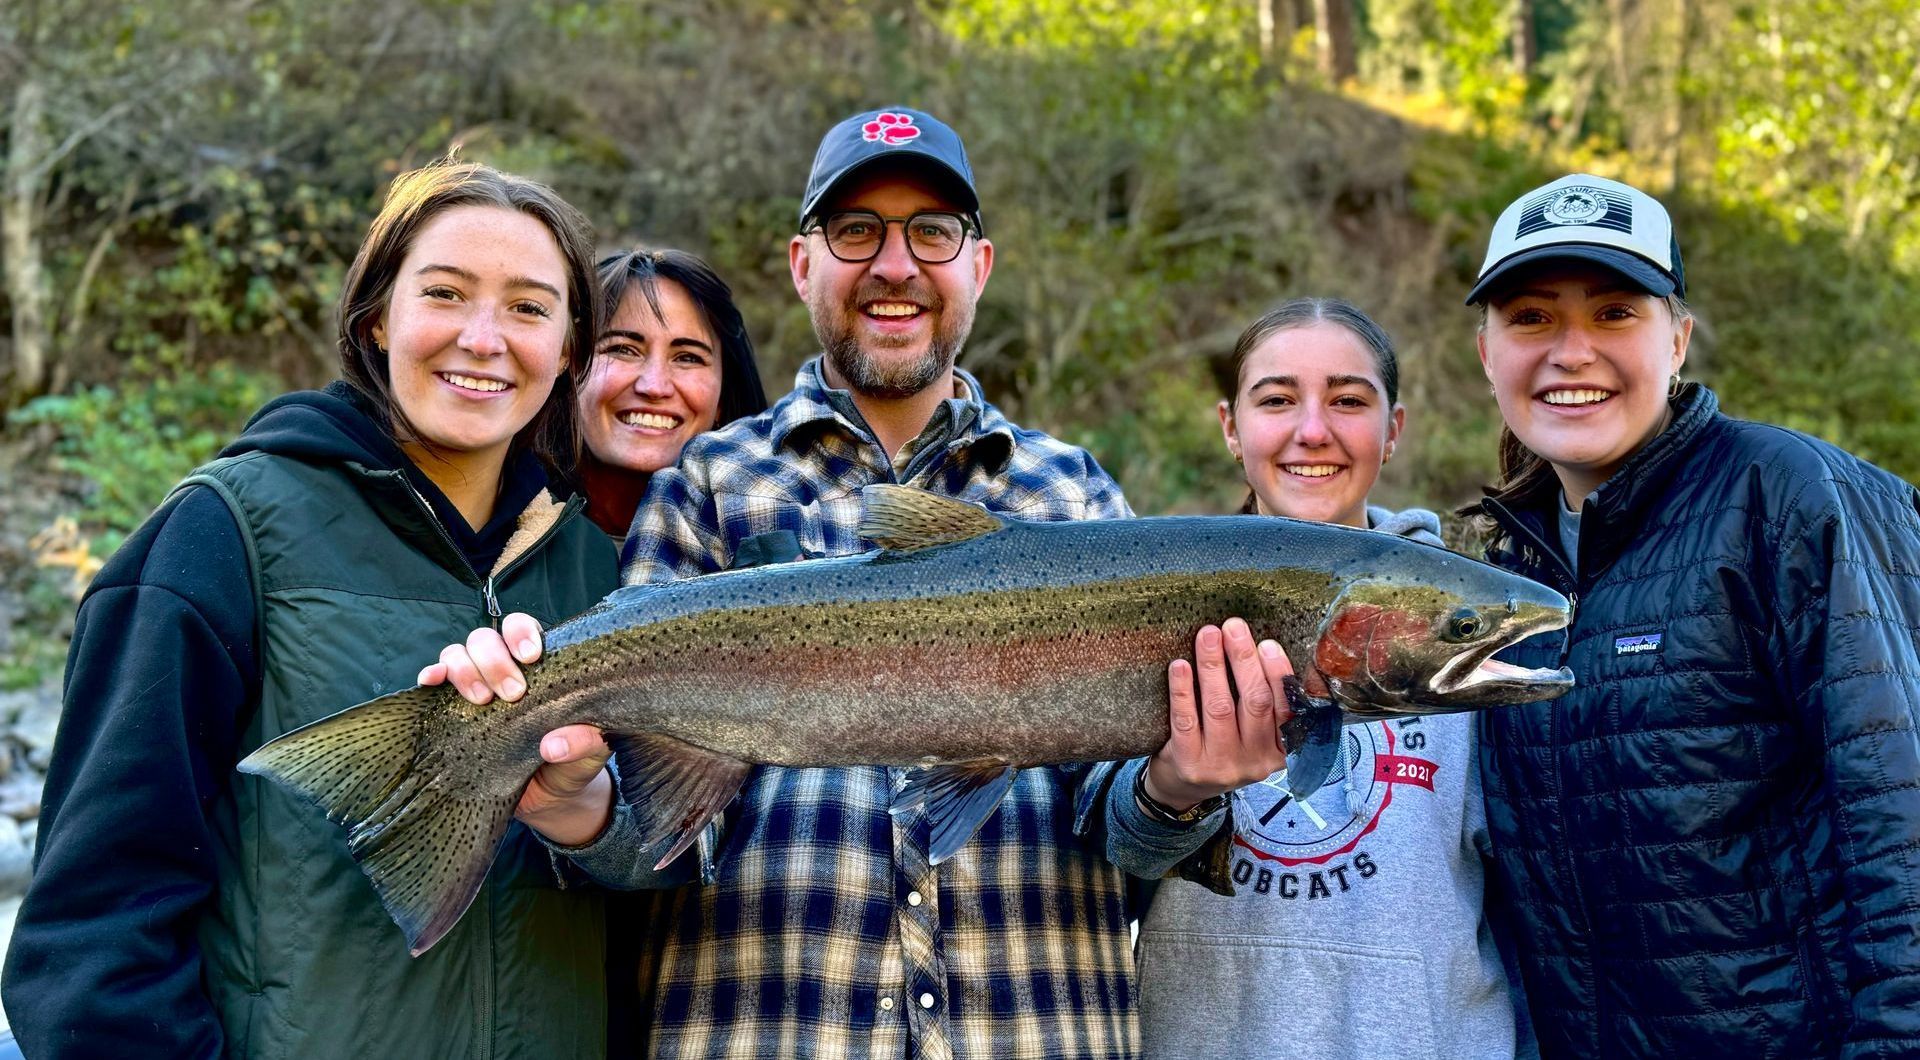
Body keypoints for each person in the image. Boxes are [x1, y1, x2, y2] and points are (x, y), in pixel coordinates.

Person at [433, 105, 1294, 1058]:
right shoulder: (709, 483)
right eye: (857, 232)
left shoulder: (1076, 492)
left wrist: (1181, 786)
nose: (895, 266)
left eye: (933, 232)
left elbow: (1129, 844)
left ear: (980, 266)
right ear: (804, 264)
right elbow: (652, 846)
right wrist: (572, 803)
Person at [0, 161, 627, 1058]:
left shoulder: (593, 568)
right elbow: (94, 934)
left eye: (530, 308)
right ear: (377, 319)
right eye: (445, 294)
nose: (485, 338)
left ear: (570, 349)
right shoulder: (224, 535)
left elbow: (658, 858)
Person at [1465, 174, 1920, 1055]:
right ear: (1485, 353)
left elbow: (1900, 821)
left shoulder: (1785, 498)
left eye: (1613, 313)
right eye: (1530, 317)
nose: (1570, 351)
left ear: (1677, 339)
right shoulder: (1501, 572)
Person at [1105, 297, 1531, 1060]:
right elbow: (1114, 861)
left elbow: (1537, 912)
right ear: (1231, 428)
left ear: (1392, 429)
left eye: (1348, 400)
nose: (1312, 430)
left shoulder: (1468, 631)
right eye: (1275, 400)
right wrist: (1173, 793)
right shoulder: (1154, 598)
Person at [575, 248, 768, 538]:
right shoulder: (497, 542)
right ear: (570, 369)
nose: (654, 386)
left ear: (722, 397)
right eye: (623, 349)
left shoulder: (777, 539)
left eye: (687, 357)